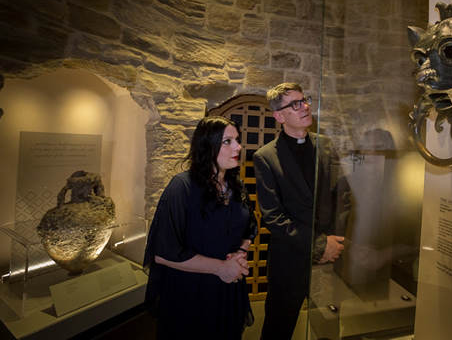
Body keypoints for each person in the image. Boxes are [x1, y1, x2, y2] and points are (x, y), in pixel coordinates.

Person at [143, 116, 257, 339]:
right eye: (228, 141)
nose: (238, 146)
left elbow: (249, 228)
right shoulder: (181, 187)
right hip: (192, 293)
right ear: (207, 145)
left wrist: (240, 253)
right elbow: (162, 253)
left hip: (228, 290)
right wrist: (219, 268)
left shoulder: (236, 185)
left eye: (237, 140)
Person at [253, 83, 351, 340]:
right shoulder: (265, 157)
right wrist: (320, 245)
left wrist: (335, 242)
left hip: (331, 254)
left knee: (329, 323)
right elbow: (274, 217)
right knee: (279, 326)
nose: (305, 106)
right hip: (290, 258)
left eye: (304, 100)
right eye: (294, 104)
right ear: (279, 116)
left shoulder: (325, 144)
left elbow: (343, 194)